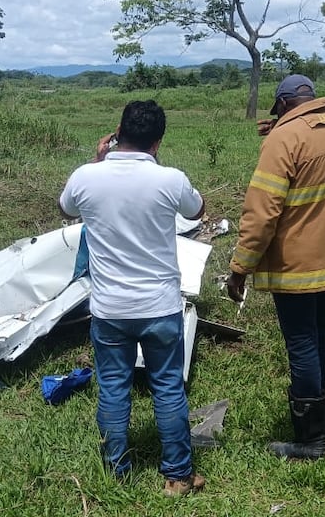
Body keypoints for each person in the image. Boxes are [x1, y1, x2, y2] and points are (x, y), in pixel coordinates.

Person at [58, 100, 207, 497]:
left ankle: (116, 471)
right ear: (157, 142)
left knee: (112, 387)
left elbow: (66, 208)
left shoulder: (86, 177)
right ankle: (178, 475)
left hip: (109, 310)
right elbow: (197, 211)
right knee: (168, 388)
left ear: (116, 133)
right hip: (159, 306)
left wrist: (97, 160)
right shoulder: (170, 179)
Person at [227, 74, 325, 461]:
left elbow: (262, 213)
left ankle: (311, 440)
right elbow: (313, 152)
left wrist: (240, 268)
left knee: (302, 344)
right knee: (322, 337)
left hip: (295, 265)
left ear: (284, 104)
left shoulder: (283, 140)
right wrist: (283, 130)